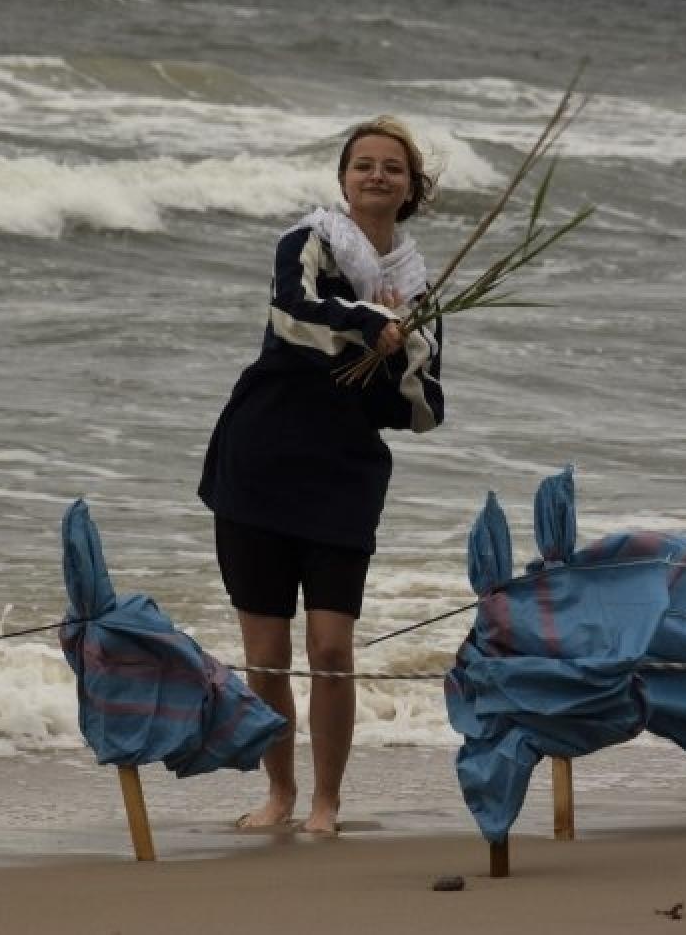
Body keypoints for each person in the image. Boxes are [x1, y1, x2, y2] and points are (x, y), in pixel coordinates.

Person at [198, 116, 445, 835]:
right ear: (344, 178)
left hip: (343, 478)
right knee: (266, 655)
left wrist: (406, 347)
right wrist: (371, 322)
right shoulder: (307, 242)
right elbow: (291, 316)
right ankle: (279, 795)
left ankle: (327, 804)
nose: (376, 175)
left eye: (392, 168)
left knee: (332, 650)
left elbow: (424, 411)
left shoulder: (421, 286)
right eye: (363, 164)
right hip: (260, 461)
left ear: (410, 188)